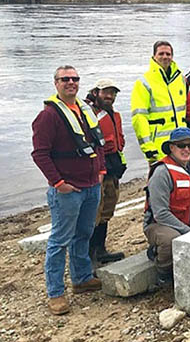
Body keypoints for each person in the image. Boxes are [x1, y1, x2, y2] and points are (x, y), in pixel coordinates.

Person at [32, 65, 105, 316]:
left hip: (91, 184)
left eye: (74, 79)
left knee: (83, 234)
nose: (71, 83)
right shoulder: (49, 116)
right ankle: (55, 293)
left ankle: (82, 278)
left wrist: (101, 169)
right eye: (65, 79)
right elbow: (40, 154)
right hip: (67, 189)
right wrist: (57, 183)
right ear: (56, 83)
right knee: (59, 241)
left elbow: (97, 143)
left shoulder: (84, 111)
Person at [144, 127, 190, 286]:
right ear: (172, 148)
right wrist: (188, 233)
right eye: (181, 145)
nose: (186, 149)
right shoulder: (161, 173)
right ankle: (163, 272)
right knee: (170, 239)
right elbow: (160, 213)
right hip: (159, 224)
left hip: (187, 222)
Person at [85, 79, 127, 264]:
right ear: (96, 93)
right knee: (94, 212)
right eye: (105, 92)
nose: (109, 96)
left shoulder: (114, 115)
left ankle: (100, 250)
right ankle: (89, 256)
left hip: (112, 168)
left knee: (107, 210)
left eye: (113, 93)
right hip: (97, 171)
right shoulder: (88, 114)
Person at [131, 40, 187, 165]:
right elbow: (139, 118)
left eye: (168, 54)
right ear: (154, 56)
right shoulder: (144, 82)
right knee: (159, 180)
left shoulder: (180, 79)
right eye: (161, 54)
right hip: (158, 145)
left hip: (181, 143)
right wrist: (147, 147)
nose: (165, 57)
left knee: (180, 180)